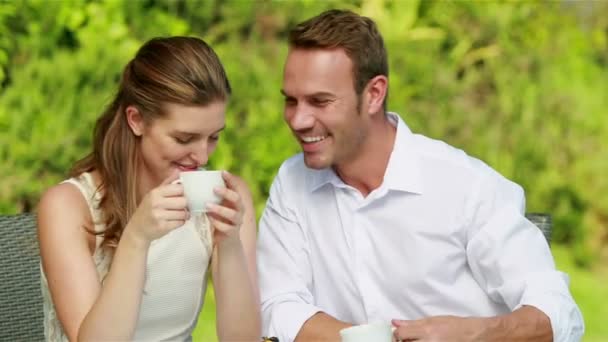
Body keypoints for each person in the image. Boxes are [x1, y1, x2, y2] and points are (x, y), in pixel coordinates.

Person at [257, 9, 584, 342]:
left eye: (319, 101)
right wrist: (373, 338)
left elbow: (559, 313)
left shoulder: (466, 185)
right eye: (291, 101)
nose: (298, 120)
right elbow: (278, 305)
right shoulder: (292, 182)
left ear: (373, 94)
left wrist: (475, 333)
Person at [37, 36, 260, 341]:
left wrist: (230, 243)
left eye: (213, 137)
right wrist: (137, 239)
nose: (203, 156)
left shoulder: (225, 198)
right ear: (137, 120)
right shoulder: (68, 207)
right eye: (184, 139)